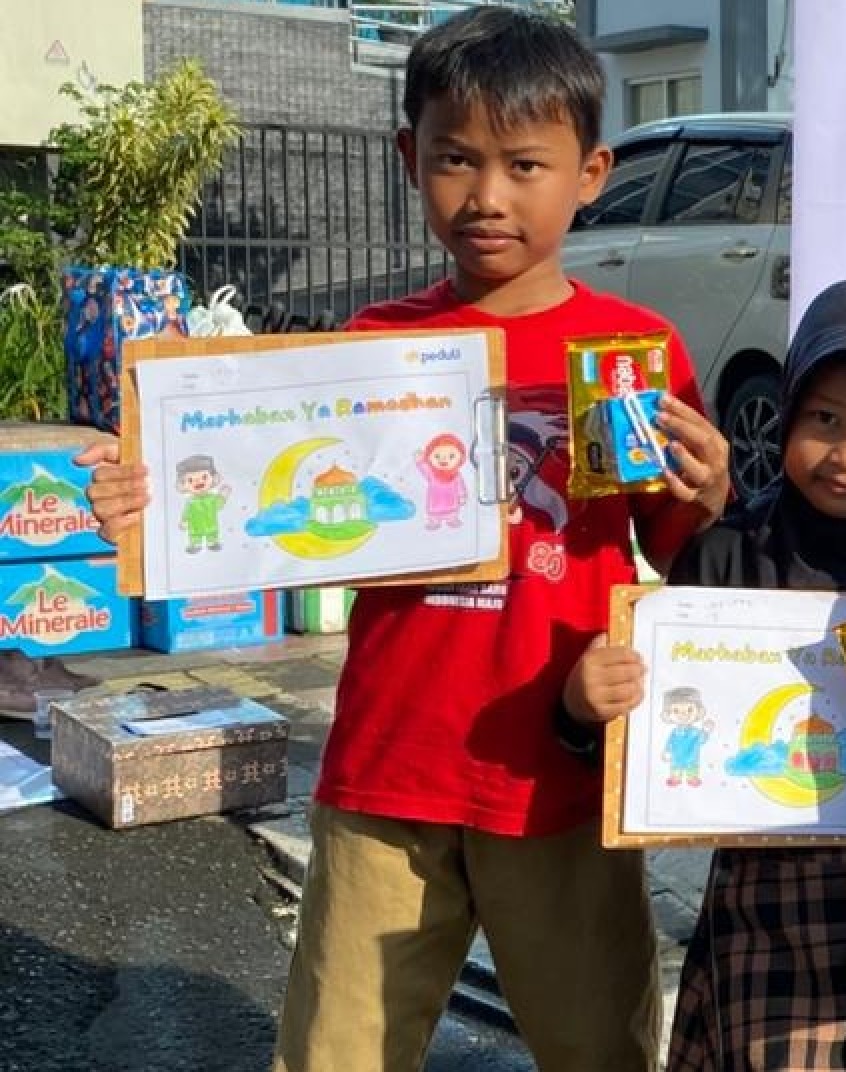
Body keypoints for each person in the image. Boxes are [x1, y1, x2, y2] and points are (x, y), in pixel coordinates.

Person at [79, 9, 732, 1070]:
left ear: (592, 172)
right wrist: (150, 510)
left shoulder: (635, 352)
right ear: (406, 158)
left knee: (599, 1049)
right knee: (336, 1051)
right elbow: (257, 512)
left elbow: (684, 550)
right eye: (455, 160)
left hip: (561, 783)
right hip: (389, 768)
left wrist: (709, 493)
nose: (487, 197)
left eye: (526, 164)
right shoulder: (368, 348)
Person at [564, 277, 846, 1070]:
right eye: (824, 419)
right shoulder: (729, 557)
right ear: (785, 411)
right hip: (769, 921)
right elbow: (653, 735)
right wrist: (585, 712)